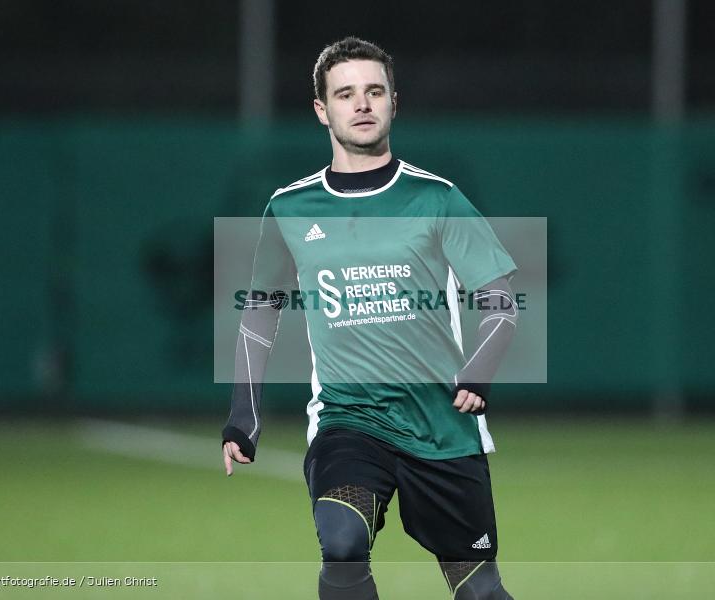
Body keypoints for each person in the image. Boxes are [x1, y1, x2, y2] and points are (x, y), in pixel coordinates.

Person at [222, 37, 518, 600]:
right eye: (346, 93)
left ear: (392, 103)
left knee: (480, 590)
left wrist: (479, 371)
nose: (361, 104)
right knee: (341, 545)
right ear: (322, 110)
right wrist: (244, 415)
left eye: (374, 91)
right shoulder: (289, 208)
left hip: (442, 425)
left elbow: (501, 301)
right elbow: (260, 313)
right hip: (349, 420)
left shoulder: (437, 198)